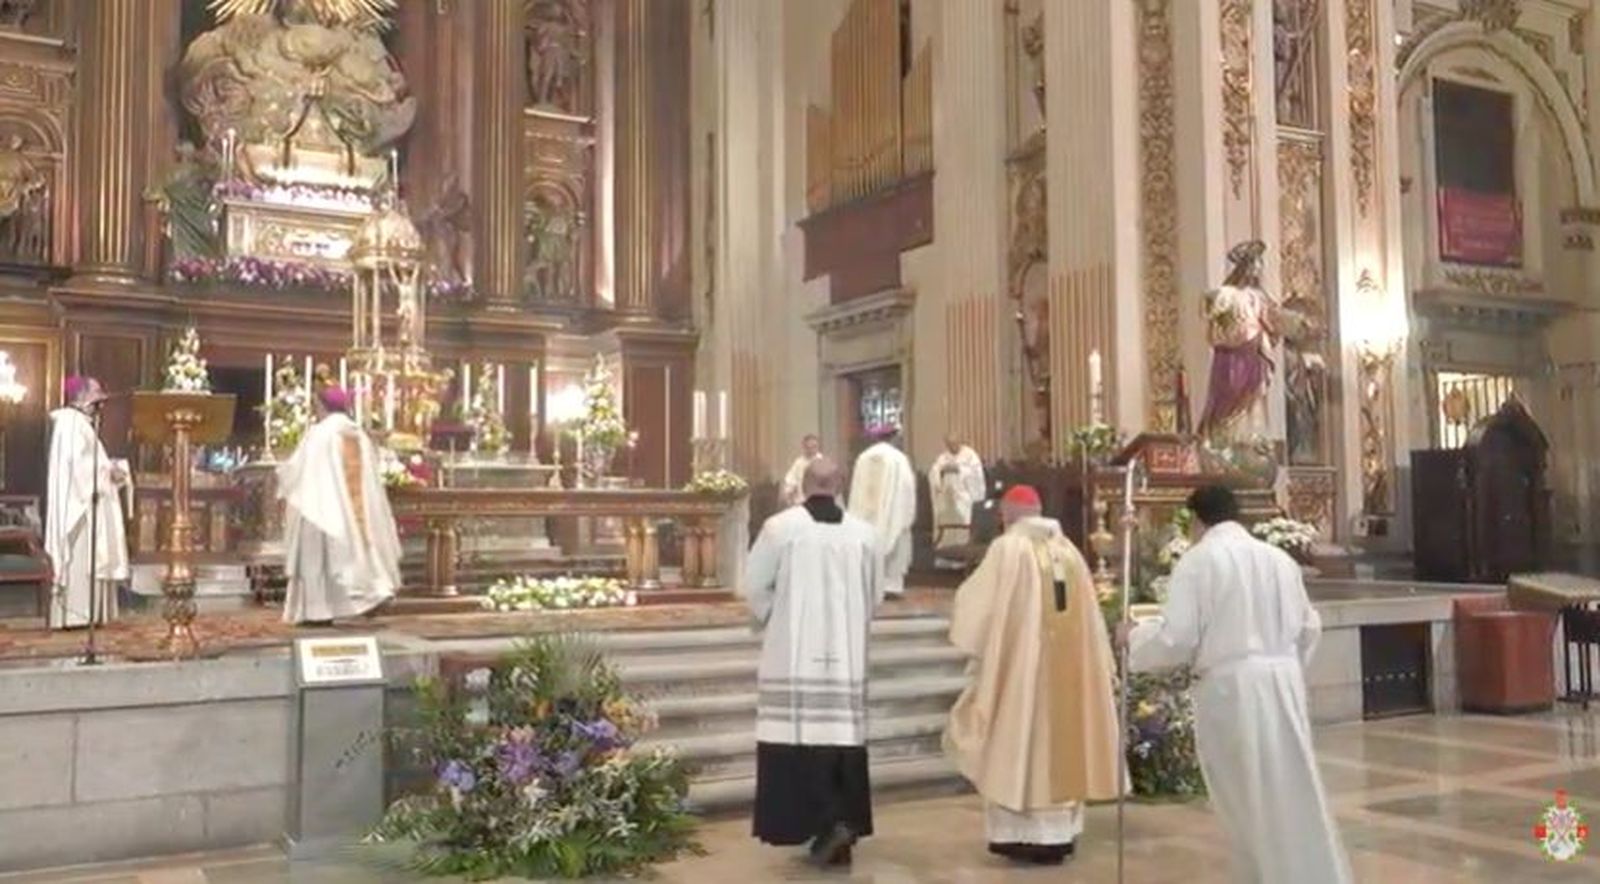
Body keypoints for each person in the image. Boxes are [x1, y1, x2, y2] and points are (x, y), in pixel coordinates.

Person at [1122, 485, 1351, 883]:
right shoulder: (1278, 559)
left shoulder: (1199, 561)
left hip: (1233, 689)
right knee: (1293, 788)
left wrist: (1134, 637)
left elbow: (1177, 638)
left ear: (1196, 519)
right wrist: (1286, 670)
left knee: (1248, 797)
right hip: (1282, 682)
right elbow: (1309, 626)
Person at [945, 485, 1120, 864]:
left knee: (1020, 743)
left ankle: (1023, 837)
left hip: (1021, 676)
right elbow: (1091, 620)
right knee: (1061, 744)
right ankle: (1060, 832)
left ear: (1006, 515)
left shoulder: (1008, 549)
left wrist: (974, 644)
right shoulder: (1070, 551)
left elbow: (978, 609)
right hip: (1069, 675)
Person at [746, 457, 884, 867]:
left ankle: (818, 825)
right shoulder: (865, 535)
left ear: (804, 485)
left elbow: (754, 587)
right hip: (845, 661)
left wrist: (779, 618)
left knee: (798, 740)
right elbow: (874, 594)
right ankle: (840, 823)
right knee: (840, 741)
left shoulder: (779, 529)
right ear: (840, 485)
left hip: (793, 657)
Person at [277, 386, 401, 625]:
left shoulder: (319, 433)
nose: (315, 410)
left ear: (322, 405)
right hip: (354, 512)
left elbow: (298, 470)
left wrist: (281, 474)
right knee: (354, 554)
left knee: (317, 561)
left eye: (316, 405)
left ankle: (316, 612)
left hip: (319, 508)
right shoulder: (358, 434)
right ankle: (369, 595)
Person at [44, 376, 130, 630]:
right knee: (82, 561)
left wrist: (108, 469)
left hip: (90, 505)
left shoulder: (82, 424)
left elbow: (90, 461)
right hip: (80, 509)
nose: (100, 400)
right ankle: (77, 615)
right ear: (81, 396)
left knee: (94, 559)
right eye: (96, 393)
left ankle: (91, 614)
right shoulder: (70, 424)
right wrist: (107, 473)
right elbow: (78, 469)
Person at [847, 429, 917, 599]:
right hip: (892, 514)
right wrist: (908, 512)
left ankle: (869, 584)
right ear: (893, 438)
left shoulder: (864, 457)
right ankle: (890, 587)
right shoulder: (898, 458)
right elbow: (907, 486)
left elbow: (856, 488)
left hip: (865, 515)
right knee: (893, 542)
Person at [928, 434, 986, 556]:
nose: (951, 447)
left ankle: (964, 551)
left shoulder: (970, 455)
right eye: (949, 445)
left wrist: (959, 469)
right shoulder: (943, 457)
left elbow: (976, 474)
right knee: (945, 518)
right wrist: (941, 471)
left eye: (954, 444)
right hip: (947, 496)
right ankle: (945, 552)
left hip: (964, 496)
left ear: (960, 442)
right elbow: (934, 471)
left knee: (963, 519)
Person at [779, 433, 823, 507]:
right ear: (804, 447)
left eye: (814, 447)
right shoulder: (798, 463)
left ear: (817, 447)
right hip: (801, 502)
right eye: (808, 447)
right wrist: (788, 493)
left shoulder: (823, 462)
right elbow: (790, 481)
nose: (811, 450)